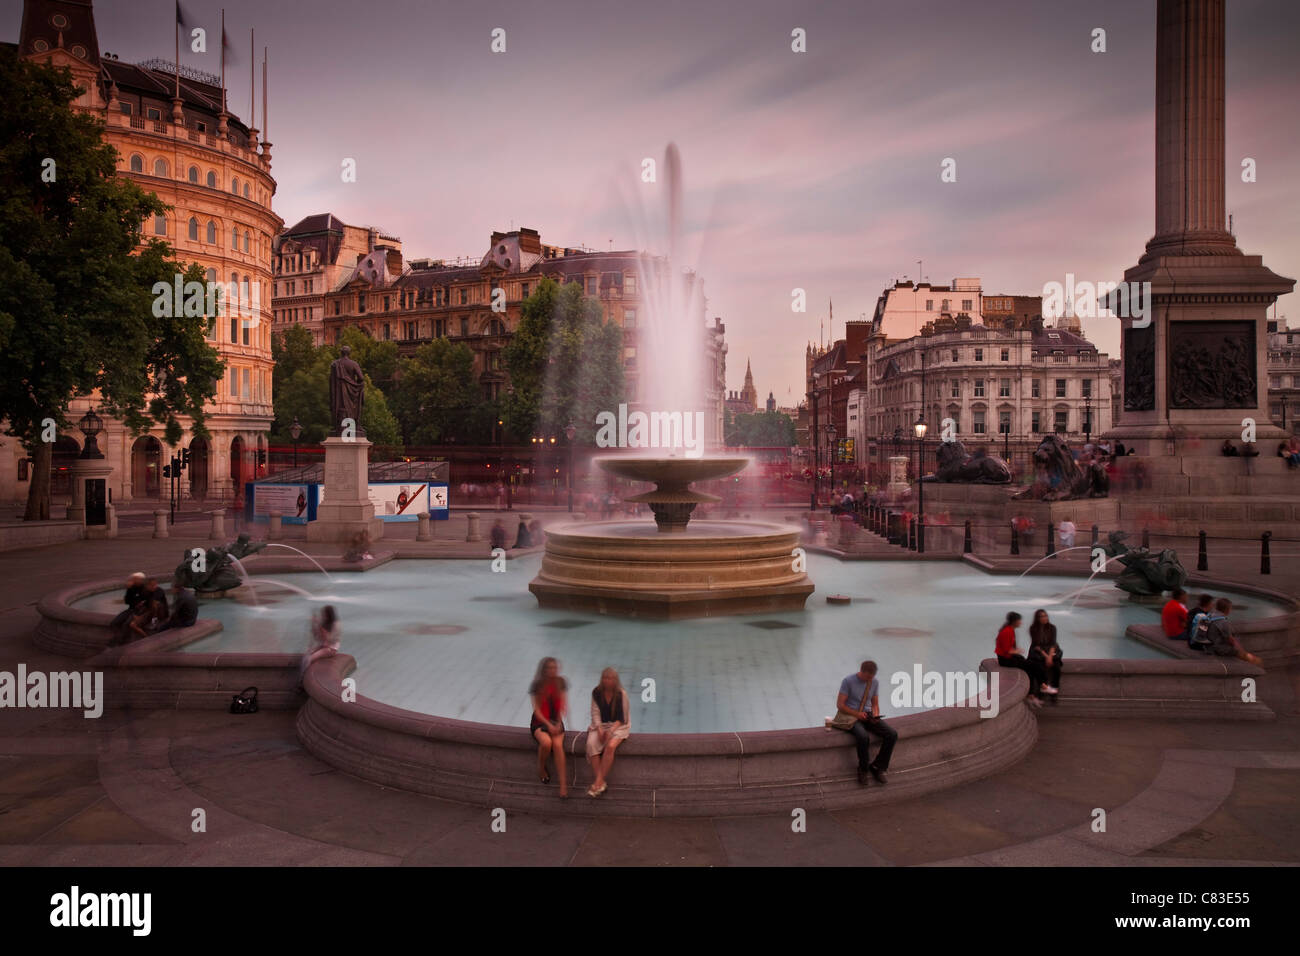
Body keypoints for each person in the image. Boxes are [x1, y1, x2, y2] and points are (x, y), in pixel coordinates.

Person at [834, 660, 898, 785]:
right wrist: (857, 714)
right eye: (867, 676)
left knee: (892, 734)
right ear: (861, 672)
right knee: (863, 736)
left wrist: (875, 715)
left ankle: (878, 767)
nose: (869, 679)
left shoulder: (874, 682)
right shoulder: (848, 681)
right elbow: (840, 705)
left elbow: (875, 704)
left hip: (867, 715)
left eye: (872, 677)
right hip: (851, 716)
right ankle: (863, 769)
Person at [585, 667, 631, 797]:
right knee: (591, 744)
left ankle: (598, 782)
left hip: (619, 726)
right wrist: (599, 728)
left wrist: (611, 730)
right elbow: (595, 713)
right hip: (601, 725)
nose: (607, 680)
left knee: (610, 746)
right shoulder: (596, 692)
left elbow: (623, 718)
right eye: (605, 678)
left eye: (610, 678)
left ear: (615, 680)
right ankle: (601, 783)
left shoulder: (621, 694)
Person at [529, 657, 568, 797]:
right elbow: (537, 710)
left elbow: (563, 704)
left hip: (556, 721)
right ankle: (541, 769)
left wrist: (557, 722)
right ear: (544, 670)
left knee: (558, 745)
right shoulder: (536, 685)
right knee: (546, 743)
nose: (552, 670)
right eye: (549, 668)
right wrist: (548, 725)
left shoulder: (561, 682)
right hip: (540, 721)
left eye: (554, 667)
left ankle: (563, 786)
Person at [995, 611, 1045, 706]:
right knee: (1034, 665)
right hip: (1006, 660)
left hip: (1009, 658)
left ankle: (1031, 696)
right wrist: (1017, 651)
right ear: (1014, 621)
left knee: (1030, 669)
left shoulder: (1011, 630)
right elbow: (1007, 650)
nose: (1021, 623)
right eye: (1019, 621)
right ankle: (1043, 684)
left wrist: (1017, 651)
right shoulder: (1007, 631)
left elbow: (1009, 648)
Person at [1199, 598, 1262, 665]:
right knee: (1239, 651)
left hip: (1205, 645)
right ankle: (1254, 663)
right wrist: (1243, 652)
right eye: (1230, 608)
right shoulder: (1223, 622)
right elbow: (1231, 640)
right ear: (1227, 609)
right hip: (1215, 649)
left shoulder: (1210, 615)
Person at [301, 605, 341, 683]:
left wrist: (321, 628)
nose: (322, 615)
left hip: (331, 648)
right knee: (305, 656)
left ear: (328, 614)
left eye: (324, 614)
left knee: (310, 659)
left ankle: (304, 681)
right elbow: (317, 637)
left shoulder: (336, 625)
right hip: (324, 646)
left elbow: (329, 640)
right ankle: (302, 678)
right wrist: (314, 625)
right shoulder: (324, 623)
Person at [1028, 608, 1062, 696]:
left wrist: (1050, 657)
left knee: (1057, 666)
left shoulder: (1052, 627)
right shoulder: (1033, 628)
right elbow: (1036, 645)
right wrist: (1046, 657)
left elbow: (1053, 643)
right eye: (1041, 617)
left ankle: (1054, 689)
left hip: (1051, 650)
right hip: (1038, 651)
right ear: (1037, 619)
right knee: (1038, 665)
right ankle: (1042, 688)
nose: (1044, 618)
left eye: (1045, 616)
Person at [126, 577, 169, 642]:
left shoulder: (159, 591)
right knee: (131, 622)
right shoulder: (146, 592)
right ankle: (145, 637)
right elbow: (140, 603)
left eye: (155, 585)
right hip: (149, 611)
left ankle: (153, 624)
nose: (155, 587)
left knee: (156, 604)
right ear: (147, 586)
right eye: (152, 585)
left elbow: (154, 605)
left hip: (160, 613)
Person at [109, 572, 148, 643]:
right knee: (114, 623)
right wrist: (129, 589)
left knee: (126, 624)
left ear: (141, 580)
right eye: (133, 579)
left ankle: (121, 641)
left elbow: (144, 602)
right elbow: (127, 601)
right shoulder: (131, 588)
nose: (133, 580)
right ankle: (118, 637)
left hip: (140, 612)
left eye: (135, 579)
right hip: (131, 610)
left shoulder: (144, 589)